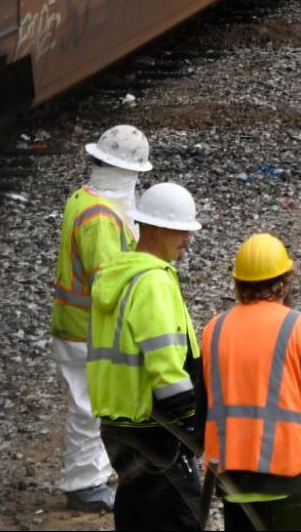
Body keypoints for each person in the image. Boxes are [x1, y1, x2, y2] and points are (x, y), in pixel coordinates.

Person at [200, 234, 301, 531]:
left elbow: (202, 409)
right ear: (285, 281)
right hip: (291, 481)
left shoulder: (215, 330)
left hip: (235, 485)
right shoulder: (299, 328)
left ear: (238, 284)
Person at [89, 182, 205, 532]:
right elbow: (165, 366)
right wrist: (193, 423)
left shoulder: (120, 276)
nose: (187, 239)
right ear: (155, 228)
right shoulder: (153, 283)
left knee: (136, 511)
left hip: (118, 425)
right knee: (180, 516)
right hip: (156, 426)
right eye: (181, 230)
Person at [51, 124, 152, 513]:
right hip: (85, 329)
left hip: (78, 326)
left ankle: (93, 473)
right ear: (127, 172)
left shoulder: (86, 200)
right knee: (89, 407)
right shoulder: (100, 217)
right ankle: (83, 484)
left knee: (92, 403)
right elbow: (109, 281)